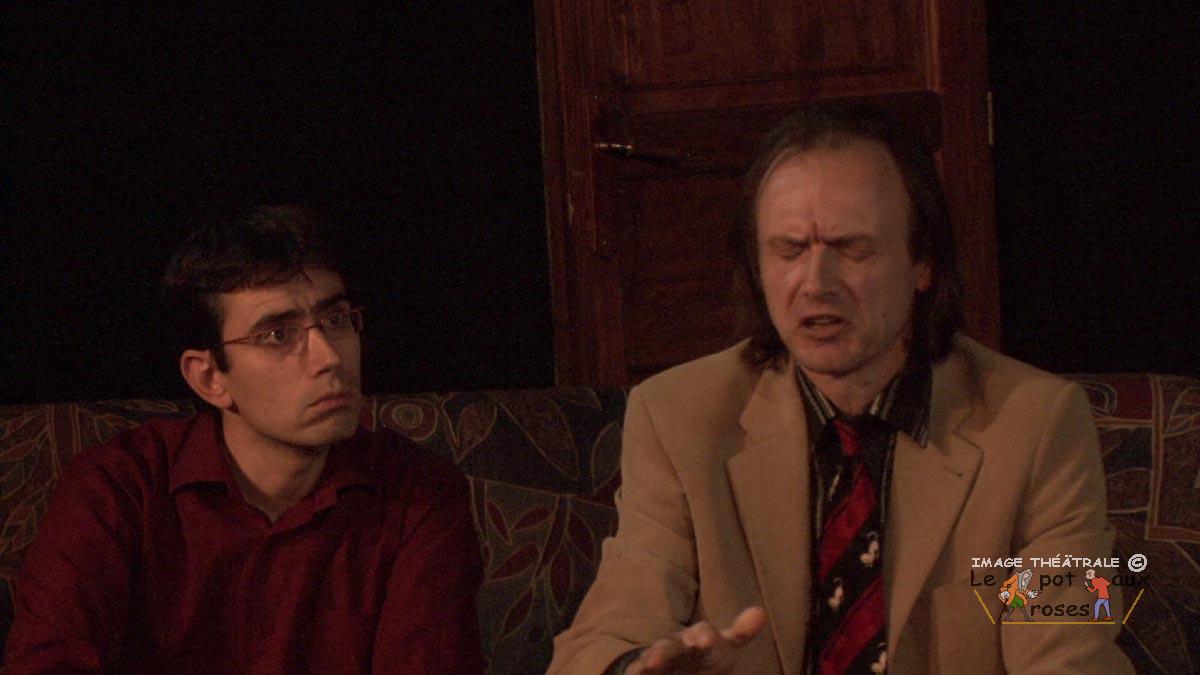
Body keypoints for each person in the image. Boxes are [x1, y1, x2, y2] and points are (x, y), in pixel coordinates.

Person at [549, 104, 1132, 673]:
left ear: (923, 262)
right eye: (789, 251)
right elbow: (601, 638)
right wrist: (636, 669)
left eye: (852, 249)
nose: (815, 283)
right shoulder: (677, 417)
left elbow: (1068, 651)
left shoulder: (1036, 424)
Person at [5, 207, 485, 673]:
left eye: (336, 320)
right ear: (209, 378)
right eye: (278, 335)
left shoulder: (419, 492)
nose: (329, 359)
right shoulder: (119, 486)